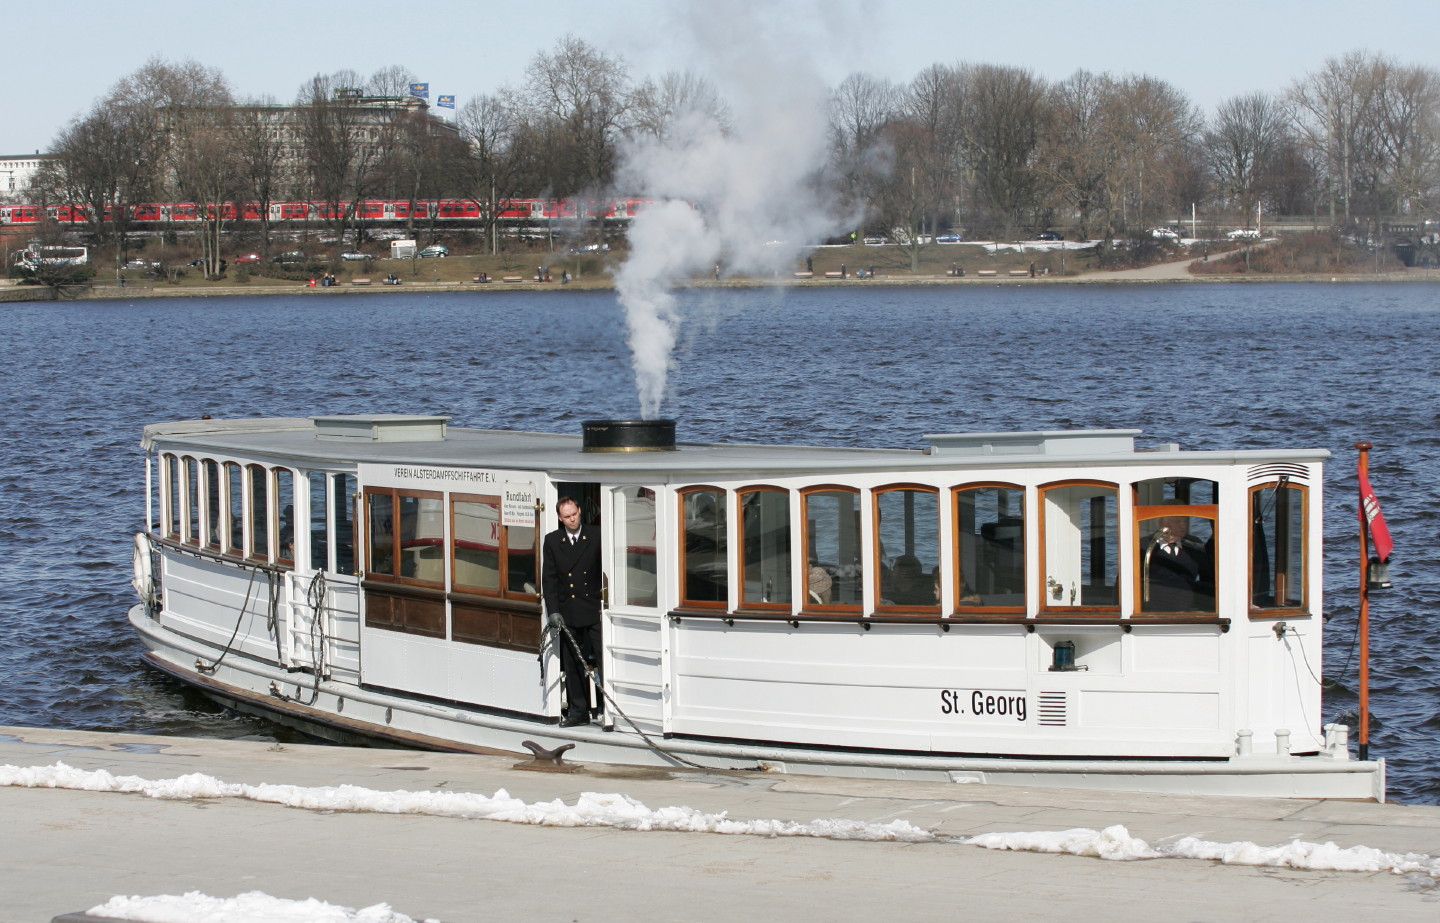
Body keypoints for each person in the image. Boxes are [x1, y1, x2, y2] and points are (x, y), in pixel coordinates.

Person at [542, 497, 603, 727]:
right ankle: (578, 711)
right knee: (573, 661)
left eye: (574, 514)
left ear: (580, 511)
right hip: (568, 610)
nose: (572, 519)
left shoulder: (596, 535)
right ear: (560, 518)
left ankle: (607, 708)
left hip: (594, 607)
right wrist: (553, 611)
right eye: (567, 517)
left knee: (602, 658)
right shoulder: (552, 541)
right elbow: (549, 579)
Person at [1142, 515, 1213, 612]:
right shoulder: (1144, 547)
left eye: (1185, 521)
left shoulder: (1194, 545)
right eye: (1177, 522)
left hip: (1189, 609)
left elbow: (1208, 578)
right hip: (1154, 610)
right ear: (1162, 523)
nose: (1183, 525)